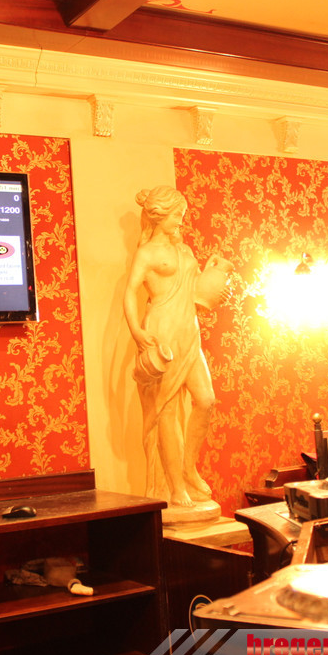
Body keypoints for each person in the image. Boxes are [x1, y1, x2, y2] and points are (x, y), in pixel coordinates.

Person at [123, 185, 219, 508]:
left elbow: (196, 291)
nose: (181, 219)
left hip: (189, 332)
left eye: (182, 214)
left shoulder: (185, 250)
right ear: (159, 215)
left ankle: (189, 468)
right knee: (166, 410)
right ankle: (176, 487)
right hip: (162, 331)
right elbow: (130, 292)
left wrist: (212, 274)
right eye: (177, 214)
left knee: (205, 400)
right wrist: (136, 331)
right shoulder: (147, 253)